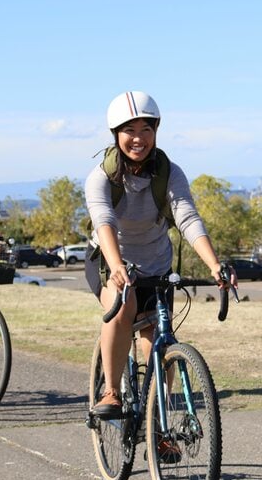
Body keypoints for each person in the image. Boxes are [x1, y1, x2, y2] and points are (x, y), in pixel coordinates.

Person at [85, 91, 232, 460]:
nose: (139, 137)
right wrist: (117, 266)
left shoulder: (169, 173)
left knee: (159, 344)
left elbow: (187, 218)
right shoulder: (100, 177)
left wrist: (214, 264)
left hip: (156, 265)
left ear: (156, 130)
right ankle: (111, 393)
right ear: (116, 134)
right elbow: (103, 221)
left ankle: (157, 426)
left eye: (146, 128)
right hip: (110, 261)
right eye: (129, 130)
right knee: (124, 306)